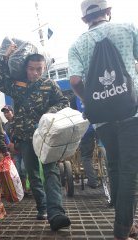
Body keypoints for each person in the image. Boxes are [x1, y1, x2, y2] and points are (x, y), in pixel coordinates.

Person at [68, 0, 138, 239]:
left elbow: (75, 81)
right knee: (130, 169)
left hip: (103, 118)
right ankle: (122, 229)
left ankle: (125, 222)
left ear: (85, 19)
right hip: (131, 112)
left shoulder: (77, 44)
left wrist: (90, 100)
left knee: (116, 166)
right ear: (108, 11)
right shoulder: (129, 28)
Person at [0, 52, 71, 231]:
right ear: (25, 69)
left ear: (44, 69)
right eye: (31, 69)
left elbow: (63, 101)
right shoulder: (17, 86)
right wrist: (5, 58)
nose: (35, 73)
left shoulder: (49, 85)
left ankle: (56, 213)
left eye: (39, 69)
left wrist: (48, 113)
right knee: (33, 174)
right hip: (26, 137)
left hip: (45, 135)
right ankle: (42, 207)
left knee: (51, 172)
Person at [1, 105, 28, 192]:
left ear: (12, 112)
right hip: (14, 152)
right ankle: (22, 189)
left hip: (24, 150)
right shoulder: (5, 126)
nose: (6, 114)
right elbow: (5, 139)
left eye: (8, 112)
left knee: (24, 169)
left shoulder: (19, 122)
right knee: (18, 171)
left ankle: (28, 187)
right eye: (5, 113)